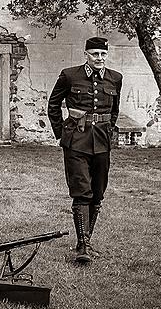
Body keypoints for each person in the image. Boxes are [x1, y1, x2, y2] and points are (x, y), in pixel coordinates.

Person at [47, 36, 123, 264]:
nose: (99, 59)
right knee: (82, 190)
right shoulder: (70, 75)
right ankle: (83, 245)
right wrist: (62, 133)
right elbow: (53, 104)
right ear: (86, 55)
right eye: (94, 54)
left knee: (98, 192)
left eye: (102, 54)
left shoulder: (115, 78)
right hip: (76, 141)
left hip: (102, 141)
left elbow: (114, 110)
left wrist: (109, 132)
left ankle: (85, 240)